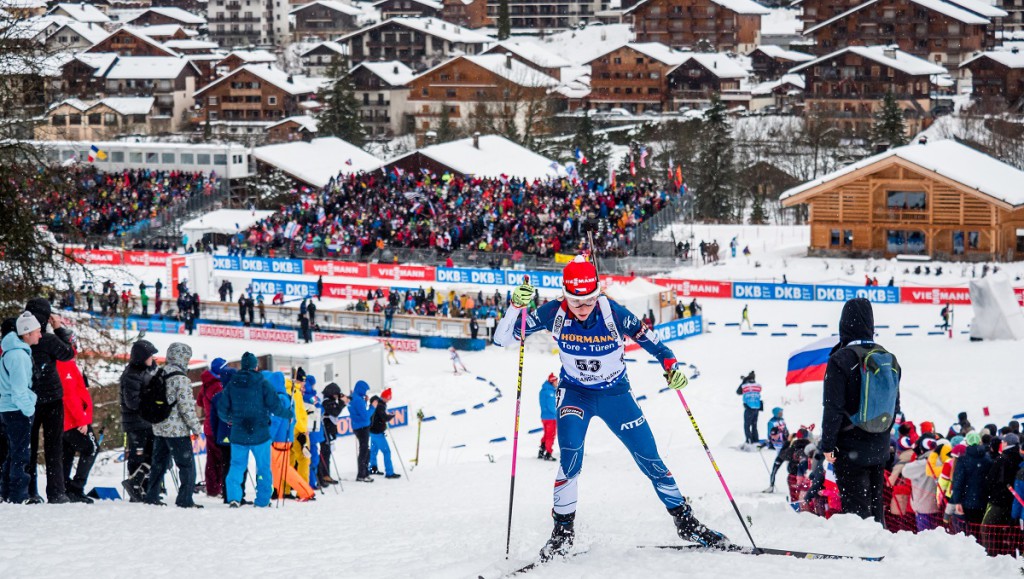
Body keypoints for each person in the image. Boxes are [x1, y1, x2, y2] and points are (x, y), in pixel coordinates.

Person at [493, 255, 726, 560]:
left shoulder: (613, 311)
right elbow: (501, 340)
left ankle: (685, 521)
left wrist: (672, 367)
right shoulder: (552, 311)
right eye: (576, 302)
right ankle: (563, 533)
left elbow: (657, 345)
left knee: (650, 459)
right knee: (570, 458)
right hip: (575, 394)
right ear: (564, 294)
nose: (582, 308)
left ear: (598, 292)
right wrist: (515, 307)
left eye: (589, 300)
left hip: (616, 395)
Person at [820, 297, 901, 526]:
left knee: (856, 507)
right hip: (880, 443)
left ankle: (863, 555)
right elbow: (895, 406)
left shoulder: (841, 359)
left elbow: (832, 408)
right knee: (876, 504)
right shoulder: (887, 357)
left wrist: (827, 445)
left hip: (850, 446)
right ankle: (880, 548)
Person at [217, 354, 292, 507]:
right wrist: (288, 413)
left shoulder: (232, 383)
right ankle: (263, 500)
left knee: (237, 466)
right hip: (260, 433)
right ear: (255, 366)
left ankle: (234, 497)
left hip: (238, 433)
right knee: (263, 467)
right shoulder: (263, 383)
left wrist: (230, 419)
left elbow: (222, 408)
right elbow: (276, 406)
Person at [25, 298, 75, 504]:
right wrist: (59, 329)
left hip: (28, 399)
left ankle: (30, 490)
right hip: (52, 398)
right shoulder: (47, 339)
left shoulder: (22, 337)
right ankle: (56, 491)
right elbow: (68, 353)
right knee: (54, 447)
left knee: (29, 446)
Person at [144, 342, 203, 508]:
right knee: (186, 465)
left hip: (159, 427)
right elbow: (186, 407)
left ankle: (152, 495)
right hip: (177, 431)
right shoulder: (181, 379)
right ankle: (185, 499)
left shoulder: (159, 373)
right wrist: (196, 428)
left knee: (158, 464)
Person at [0, 313, 42, 504]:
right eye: (37, 332)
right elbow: (19, 390)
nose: (40, 336)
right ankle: (18, 495)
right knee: (20, 453)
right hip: (16, 410)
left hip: (10, 408)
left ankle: (8, 492)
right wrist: (29, 409)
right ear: (26, 333)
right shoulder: (18, 355)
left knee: (13, 452)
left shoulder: (14, 352)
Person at [119, 340, 158, 502]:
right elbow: (132, 402)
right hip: (136, 423)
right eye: (150, 356)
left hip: (146, 422)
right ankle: (135, 486)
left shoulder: (145, 372)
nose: (152, 359)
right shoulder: (131, 375)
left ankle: (143, 484)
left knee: (152, 454)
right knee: (138, 456)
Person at [59, 355, 96, 504]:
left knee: (67, 451)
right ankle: (75, 488)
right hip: (73, 420)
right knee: (91, 448)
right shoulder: (64, 363)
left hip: (67, 419)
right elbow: (69, 396)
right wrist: (82, 419)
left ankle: (65, 486)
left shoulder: (67, 363)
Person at [198, 358, 226, 498]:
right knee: (219, 459)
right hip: (216, 425)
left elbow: (199, 402)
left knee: (212, 458)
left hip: (209, 425)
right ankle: (215, 488)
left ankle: (212, 487)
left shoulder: (206, 384)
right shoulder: (217, 386)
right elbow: (221, 407)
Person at [367, 388, 400, 479]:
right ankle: (389, 472)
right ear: (385, 397)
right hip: (378, 432)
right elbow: (384, 417)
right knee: (386, 451)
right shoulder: (381, 405)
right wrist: (391, 416)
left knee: (374, 451)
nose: (389, 400)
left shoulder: (376, 403)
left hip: (372, 431)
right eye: (389, 398)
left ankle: (373, 468)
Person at [318, 382, 347, 486]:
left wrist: (342, 401)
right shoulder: (326, 402)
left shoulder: (331, 401)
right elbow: (335, 412)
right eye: (335, 394)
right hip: (326, 430)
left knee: (327, 453)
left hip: (329, 430)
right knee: (325, 453)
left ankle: (325, 474)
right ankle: (323, 475)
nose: (336, 396)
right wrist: (342, 403)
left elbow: (336, 410)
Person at [349, 380, 373, 482]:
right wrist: (372, 407)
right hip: (362, 427)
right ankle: (362, 474)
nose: (365, 392)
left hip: (357, 426)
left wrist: (365, 402)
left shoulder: (354, 397)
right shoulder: (358, 400)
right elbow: (365, 416)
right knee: (364, 450)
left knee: (365, 449)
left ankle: (364, 473)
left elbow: (359, 411)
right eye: (365, 390)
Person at [736, 371, 762, 446]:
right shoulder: (757, 385)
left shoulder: (745, 385)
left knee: (747, 425)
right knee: (754, 425)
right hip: (757, 408)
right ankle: (755, 440)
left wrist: (744, 381)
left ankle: (749, 440)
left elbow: (738, 392)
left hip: (749, 408)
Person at [538, 373, 557, 461]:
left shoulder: (543, 390)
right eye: (556, 381)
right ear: (552, 382)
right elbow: (551, 406)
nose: (557, 383)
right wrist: (557, 414)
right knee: (551, 435)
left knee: (546, 434)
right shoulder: (550, 393)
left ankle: (542, 451)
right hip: (550, 418)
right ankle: (548, 453)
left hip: (544, 417)